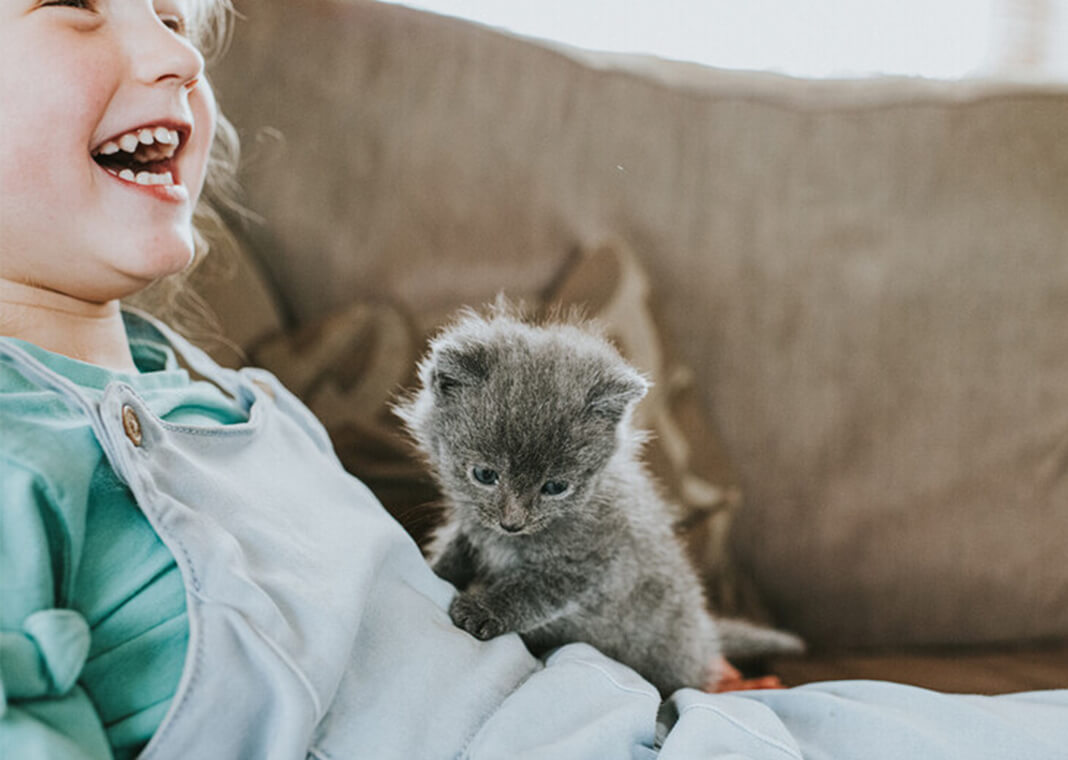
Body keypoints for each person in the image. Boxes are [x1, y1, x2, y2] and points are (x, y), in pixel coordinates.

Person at [1, 1, 1065, 758]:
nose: (172, 48)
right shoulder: (20, 445)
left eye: (174, 15)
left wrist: (680, 670)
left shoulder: (242, 403)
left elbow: (426, 627)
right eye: (73, 4)